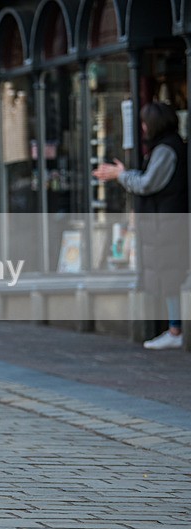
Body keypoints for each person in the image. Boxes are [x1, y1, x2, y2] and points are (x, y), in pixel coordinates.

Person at [93, 102, 188, 350]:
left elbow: (148, 183)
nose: (143, 128)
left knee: (170, 275)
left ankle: (176, 329)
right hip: (164, 220)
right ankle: (174, 327)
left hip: (168, 221)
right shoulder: (165, 147)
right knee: (169, 273)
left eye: (145, 123)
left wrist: (120, 175)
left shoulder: (166, 149)